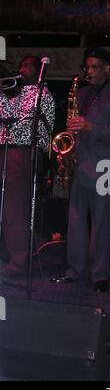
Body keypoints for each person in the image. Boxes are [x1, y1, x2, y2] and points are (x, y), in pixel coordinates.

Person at [52, 47, 110, 292]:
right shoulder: (81, 93)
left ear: (107, 69)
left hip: (104, 164)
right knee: (75, 221)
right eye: (87, 67)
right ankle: (75, 270)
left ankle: (100, 274)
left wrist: (90, 127)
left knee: (100, 222)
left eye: (94, 66)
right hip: (79, 162)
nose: (89, 71)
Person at [0, 55, 55, 284]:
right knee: (5, 209)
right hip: (3, 149)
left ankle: (18, 263)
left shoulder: (43, 94)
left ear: (38, 70)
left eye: (28, 66)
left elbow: (46, 128)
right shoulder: (11, 92)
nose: (23, 69)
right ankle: (7, 256)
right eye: (21, 65)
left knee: (15, 208)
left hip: (23, 152)